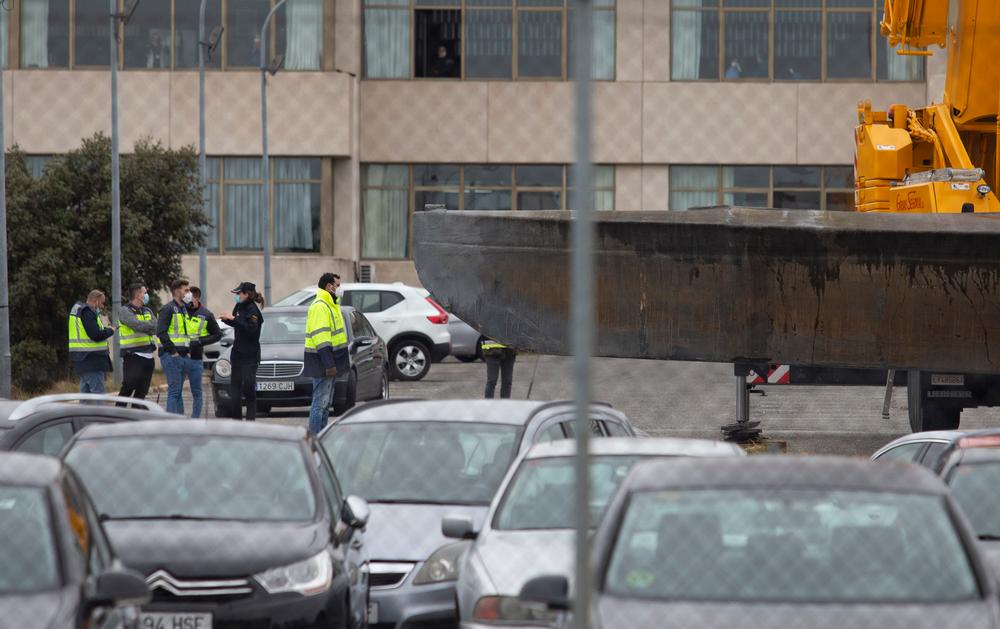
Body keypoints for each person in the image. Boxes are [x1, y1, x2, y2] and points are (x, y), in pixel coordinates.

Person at [303, 273, 349, 434]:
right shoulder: (320, 306)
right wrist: (329, 364)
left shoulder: (331, 305)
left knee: (325, 404)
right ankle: (316, 438)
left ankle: (321, 436)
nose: (339, 289)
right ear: (329, 286)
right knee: (320, 404)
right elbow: (321, 338)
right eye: (337, 285)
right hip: (322, 363)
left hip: (330, 362)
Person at [220, 282, 263, 421]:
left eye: (239, 294)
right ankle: (236, 421)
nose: (237, 296)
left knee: (249, 391)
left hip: (250, 357)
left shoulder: (253, 310)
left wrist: (234, 319)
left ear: (246, 294)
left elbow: (251, 330)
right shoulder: (239, 306)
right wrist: (227, 320)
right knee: (235, 390)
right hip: (237, 355)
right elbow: (237, 323)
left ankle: (250, 422)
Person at [157, 279, 195, 415]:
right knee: (174, 390)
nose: (189, 293)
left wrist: (188, 352)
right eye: (186, 290)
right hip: (171, 355)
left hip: (183, 355)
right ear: (177, 291)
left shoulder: (183, 309)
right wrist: (174, 353)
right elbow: (161, 332)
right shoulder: (167, 309)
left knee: (177, 390)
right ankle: (171, 422)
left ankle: (178, 420)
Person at [185, 287, 223, 418]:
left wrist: (201, 342)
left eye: (189, 297)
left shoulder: (206, 314)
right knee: (175, 391)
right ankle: (176, 420)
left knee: (197, 392)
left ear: (196, 298)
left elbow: (217, 334)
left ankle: (194, 419)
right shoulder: (179, 311)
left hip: (196, 357)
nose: (186, 299)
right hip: (178, 355)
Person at [68, 290, 115, 394]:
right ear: (95, 300)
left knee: (86, 398)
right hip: (92, 360)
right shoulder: (87, 312)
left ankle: (85, 411)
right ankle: (97, 412)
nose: (102, 307)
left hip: (83, 360)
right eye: (102, 303)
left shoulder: (80, 311)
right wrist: (110, 331)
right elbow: (95, 335)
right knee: (97, 395)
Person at [117, 282, 157, 403]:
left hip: (149, 357)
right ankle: (118, 416)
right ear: (138, 295)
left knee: (142, 391)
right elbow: (136, 325)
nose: (146, 295)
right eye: (145, 293)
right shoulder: (125, 311)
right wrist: (149, 326)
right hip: (133, 356)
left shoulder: (147, 310)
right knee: (128, 388)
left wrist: (148, 326)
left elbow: (157, 327)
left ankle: (136, 417)